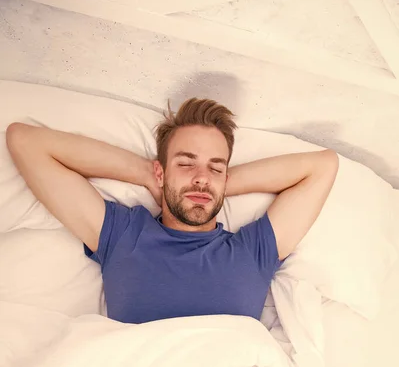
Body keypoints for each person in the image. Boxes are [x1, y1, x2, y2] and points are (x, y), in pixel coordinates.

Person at [6, 98, 339, 324]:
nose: (201, 176)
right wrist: (152, 178)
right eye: (186, 163)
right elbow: (24, 141)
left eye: (215, 167)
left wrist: (211, 185)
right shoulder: (122, 234)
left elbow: (323, 166)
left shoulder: (253, 251)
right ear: (161, 171)